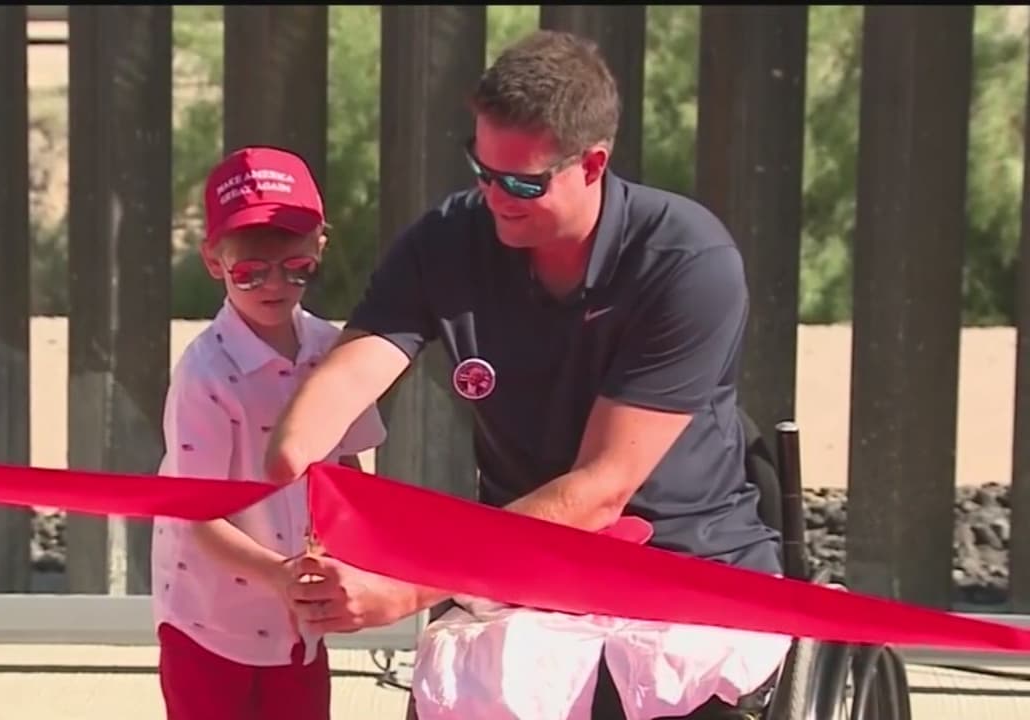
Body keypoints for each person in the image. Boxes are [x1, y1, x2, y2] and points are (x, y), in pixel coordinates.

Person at [263, 30, 789, 719]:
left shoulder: (687, 262)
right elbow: (357, 365)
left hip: (683, 564)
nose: (495, 197)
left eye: (521, 183)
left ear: (593, 163)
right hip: (516, 574)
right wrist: (292, 457)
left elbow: (601, 490)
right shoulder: (447, 240)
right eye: (481, 171)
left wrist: (407, 585)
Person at [151, 145, 387, 720]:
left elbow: (346, 474)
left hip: (296, 619)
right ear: (214, 261)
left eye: (297, 267)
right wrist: (279, 575)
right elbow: (195, 511)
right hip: (209, 619)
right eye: (250, 272)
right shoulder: (206, 372)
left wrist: (349, 559)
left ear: (319, 248)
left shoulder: (333, 353)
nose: (275, 284)